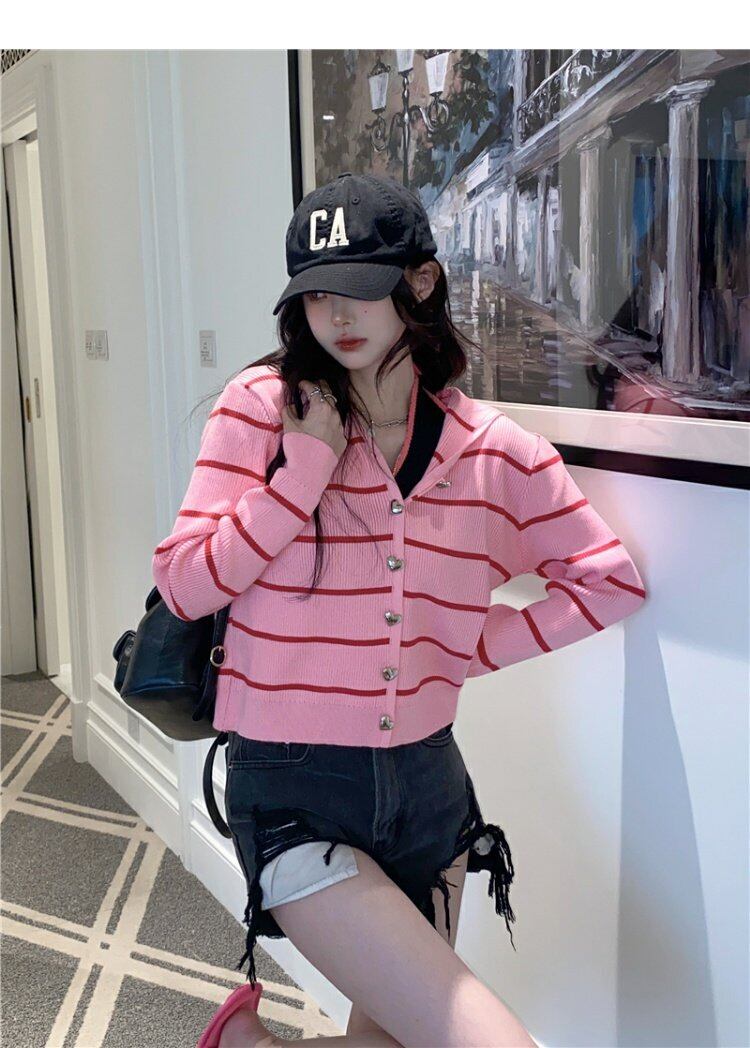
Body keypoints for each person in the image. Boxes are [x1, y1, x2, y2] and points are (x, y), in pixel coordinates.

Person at [152, 173, 647, 1047]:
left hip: (429, 790)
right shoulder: (264, 411)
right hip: (294, 790)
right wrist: (301, 474)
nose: (338, 315)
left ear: (419, 282)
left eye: (363, 287)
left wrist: (461, 649)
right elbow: (187, 582)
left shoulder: (492, 451)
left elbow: (607, 580)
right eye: (317, 295)